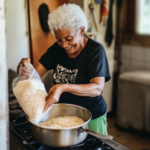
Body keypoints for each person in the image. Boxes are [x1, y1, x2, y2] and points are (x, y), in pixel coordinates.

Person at [17, 4, 110, 135]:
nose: (64, 45)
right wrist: (25, 70)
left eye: (69, 38)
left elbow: (96, 89)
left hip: (91, 116)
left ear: (82, 30)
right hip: (64, 116)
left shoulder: (95, 51)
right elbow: (33, 75)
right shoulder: (57, 49)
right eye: (59, 40)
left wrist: (62, 87)